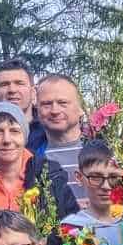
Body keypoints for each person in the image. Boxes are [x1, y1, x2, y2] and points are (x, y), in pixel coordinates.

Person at [0, 100, 78, 221]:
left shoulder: (50, 176)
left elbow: (73, 229)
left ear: (24, 136)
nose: (6, 140)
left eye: (14, 131)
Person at [34, 74, 91, 208]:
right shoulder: (32, 160)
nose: (55, 110)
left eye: (62, 103)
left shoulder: (108, 150)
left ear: (80, 108)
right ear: (37, 110)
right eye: (46, 104)